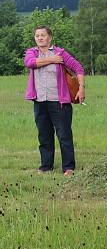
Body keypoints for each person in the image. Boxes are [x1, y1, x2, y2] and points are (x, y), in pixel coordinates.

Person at [24, 25, 85, 176]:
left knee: (64, 135)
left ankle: (68, 167)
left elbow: (78, 68)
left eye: (43, 35)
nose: (39, 38)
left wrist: (81, 88)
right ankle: (46, 166)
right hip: (40, 102)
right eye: (37, 35)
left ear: (49, 38)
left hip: (59, 102)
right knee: (44, 135)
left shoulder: (61, 53)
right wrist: (52, 60)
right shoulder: (32, 52)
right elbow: (30, 63)